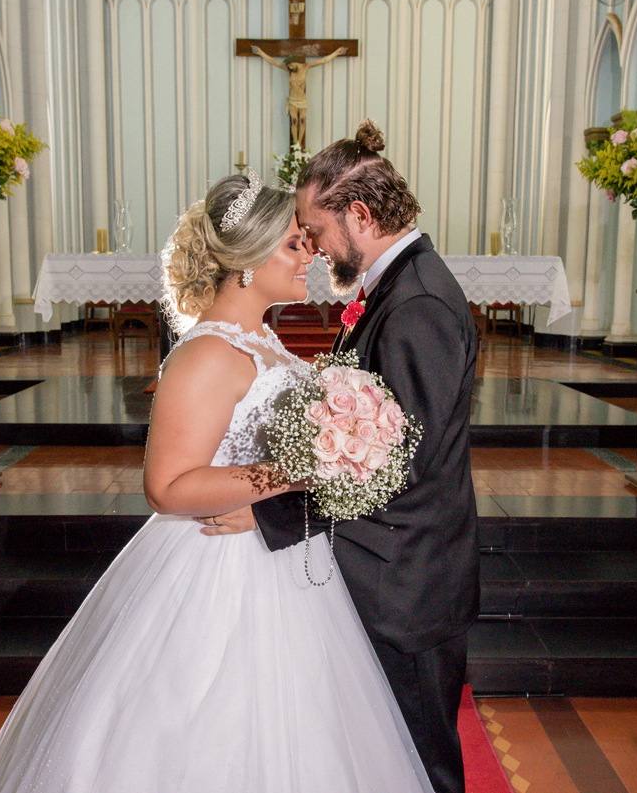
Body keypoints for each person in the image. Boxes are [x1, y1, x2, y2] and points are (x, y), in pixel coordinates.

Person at [0, 168, 434, 793]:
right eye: (294, 244)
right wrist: (296, 472)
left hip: (282, 555)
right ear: (247, 261)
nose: (311, 255)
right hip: (218, 565)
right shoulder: (207, 353)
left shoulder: (264, 341)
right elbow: (168, 486)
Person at [201, 122, 480, 793]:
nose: (313, 245)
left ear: (359, 214)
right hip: (388, 566)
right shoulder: (397, 288)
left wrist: (268, 515)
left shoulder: (416, 305)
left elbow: (396, 463)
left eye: (315, 228)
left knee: (422, 765)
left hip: (406, 580)